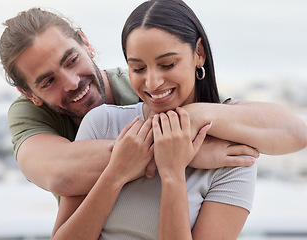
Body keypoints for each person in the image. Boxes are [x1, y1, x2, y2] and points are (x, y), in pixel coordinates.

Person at [50, 1, 306, 239]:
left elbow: (298, 133)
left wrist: (173, 172)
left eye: (168, 64)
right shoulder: (102, 124)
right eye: (138, 69)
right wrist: (116, 174)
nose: (152, 82)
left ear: (199, 54)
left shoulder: (232, 157)